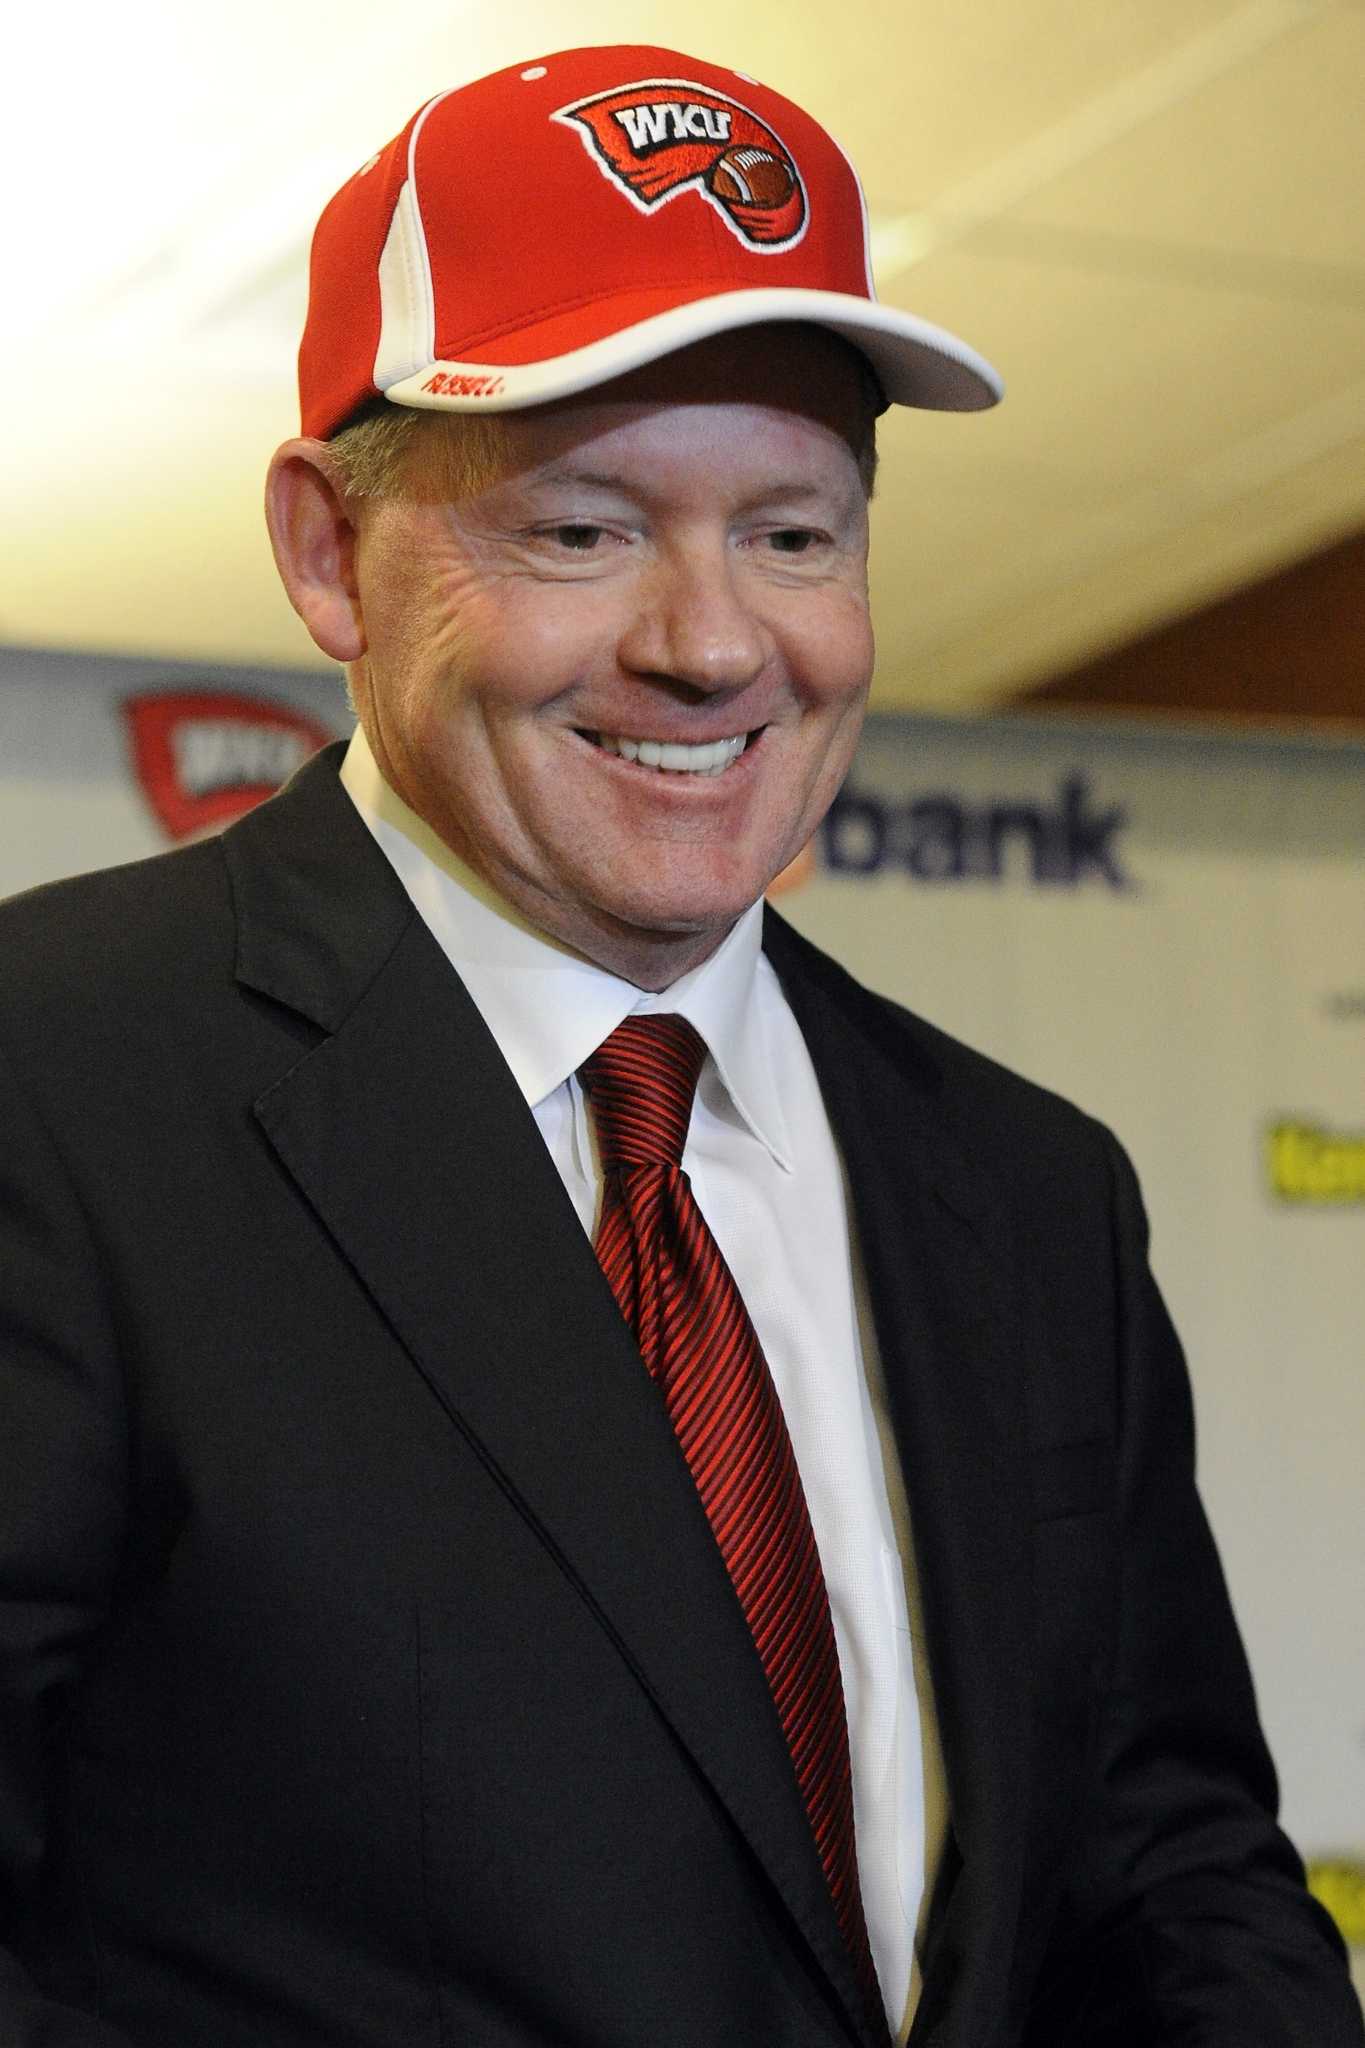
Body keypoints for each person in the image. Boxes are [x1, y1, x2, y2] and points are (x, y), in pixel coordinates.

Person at [0, 42, 1358, 2048]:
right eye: (581, 530)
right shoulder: (55, 1082)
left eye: (793, 535)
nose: (713, 644)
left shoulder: (1020, 1186)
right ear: (323, 554)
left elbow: (1160, 1862)